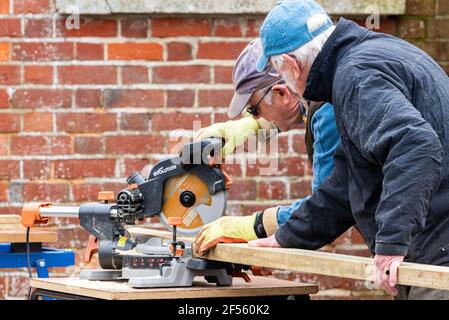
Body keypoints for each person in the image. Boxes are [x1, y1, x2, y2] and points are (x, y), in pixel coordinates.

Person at [245, 0, 449, 299]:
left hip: (439, 259)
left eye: (278, 68)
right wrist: (286, 238)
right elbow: (346, 184)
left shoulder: (356, 75)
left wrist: (391, 245)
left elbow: (416, 145)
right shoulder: (363, 59)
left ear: (291, 64)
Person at [194, 39, 340, 260]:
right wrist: (248, 127)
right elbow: (299, 111)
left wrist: (256, 226)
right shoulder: (329, 89)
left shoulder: (327, 112)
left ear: (282, 93)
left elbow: (326, 210)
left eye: (254, 109)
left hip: (408, 249)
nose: (256, 116)